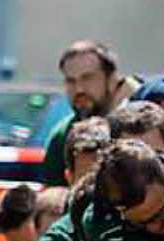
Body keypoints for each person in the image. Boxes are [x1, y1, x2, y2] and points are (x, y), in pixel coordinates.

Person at [42, 40, 140, 187]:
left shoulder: (136, 131)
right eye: (71, 81)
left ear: (112, 79)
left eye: (88, 78)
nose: (79, 89)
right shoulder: (61, 136)